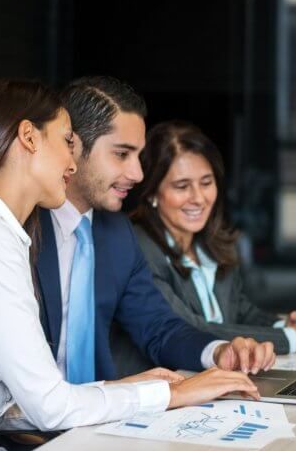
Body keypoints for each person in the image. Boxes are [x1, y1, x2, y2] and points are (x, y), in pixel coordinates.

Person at [0, 81, 266, 451]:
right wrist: (170, 394)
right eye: (66, 140)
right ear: (28, 137)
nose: (71, 161)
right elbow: (48, 407)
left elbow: (2, 392)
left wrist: (124, 387)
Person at [36, 76, 277, 383]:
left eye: (138, 155)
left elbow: (159, 327)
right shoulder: (21, 229)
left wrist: (218, 351)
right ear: (73, 145)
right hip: (30, 425)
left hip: (100, 414)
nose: (137, 174)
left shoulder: (116, 233)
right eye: (122, 154)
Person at [130, 120, 296, 354]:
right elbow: (187, 328)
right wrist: (292, 338)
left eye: (206, 183)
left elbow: (241, 312)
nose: (199, 198)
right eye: (182, 186)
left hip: (228, 376)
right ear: (151, 194)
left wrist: (286, 324)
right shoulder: (138, 249)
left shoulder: (210, 244)